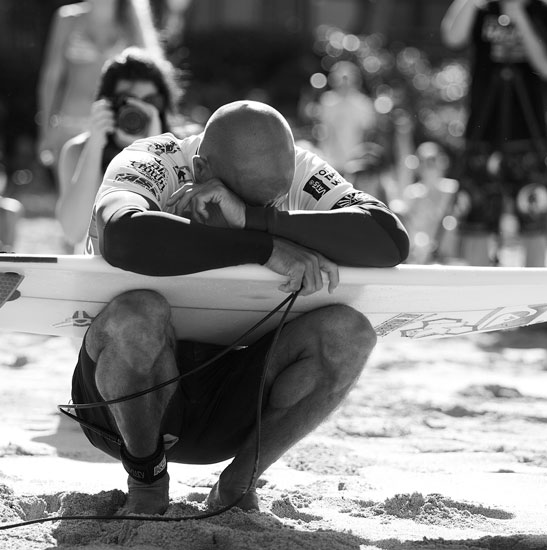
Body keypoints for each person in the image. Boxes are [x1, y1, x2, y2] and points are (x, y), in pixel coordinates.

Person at [69, 101, 409, 515]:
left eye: (275, 201)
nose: (270, 207)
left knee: (349, 333)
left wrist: (253, 218)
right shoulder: (153, 159)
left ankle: (238, 484)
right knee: (136, 316)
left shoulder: (297, 167)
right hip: (121, 408)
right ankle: (146, 481)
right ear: (202, 170)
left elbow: (389, 239)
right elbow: (122, 236)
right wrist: (264, 248)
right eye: (252, 201)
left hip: (232, 403)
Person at [441, 0, 547, 267]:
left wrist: (519, 17)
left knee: (533, 222)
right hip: (482, 133)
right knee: (476, 223)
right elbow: (452, 37)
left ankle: (533, 298)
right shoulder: (480, 7)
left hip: (528, 133)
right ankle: (478, 300)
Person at [55, 47, 181, 251]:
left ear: (162, 106)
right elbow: (73, 231)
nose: (138, 110)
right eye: (126, 101)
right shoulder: (79, 151)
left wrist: (154, 150)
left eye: (149, 101)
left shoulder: (181, 151)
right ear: (106, 104)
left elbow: (167, 235)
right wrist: (95, 144)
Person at [36, 0, 162, 175]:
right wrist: (44, 131)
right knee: (73, 198)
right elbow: (51, 78)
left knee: (113, 196)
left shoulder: (132, 22)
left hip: (116, 128)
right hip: (70, 125)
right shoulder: (67, 19)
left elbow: (150, 79)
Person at [391, 142, 461, 263]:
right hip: (419, 256)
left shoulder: (452, 189)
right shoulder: (412, 193)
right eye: (423, 161)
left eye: (432, 160)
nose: (429, 165)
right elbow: (408, 225)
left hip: (447, 255)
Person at [314, 60, 377, 174]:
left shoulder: (363, 103)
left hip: (355, 162)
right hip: (331, 161)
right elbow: (324, 132)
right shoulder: (327, 101)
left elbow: (368, 135)